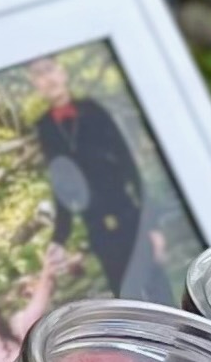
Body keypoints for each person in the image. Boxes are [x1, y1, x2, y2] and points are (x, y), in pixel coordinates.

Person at [29, 58, 142, 300]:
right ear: (35, 85)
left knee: (154, 283)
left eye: (50, 69)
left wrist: (150, 221)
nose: (47, 79)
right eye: (39, 75)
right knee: (124, 294)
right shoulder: (45, 127)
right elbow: (62, 185)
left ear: (62, 72)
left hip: (128, 214)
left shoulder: (93, 109)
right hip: (97, 227)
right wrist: (59, 237)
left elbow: (128, 162)